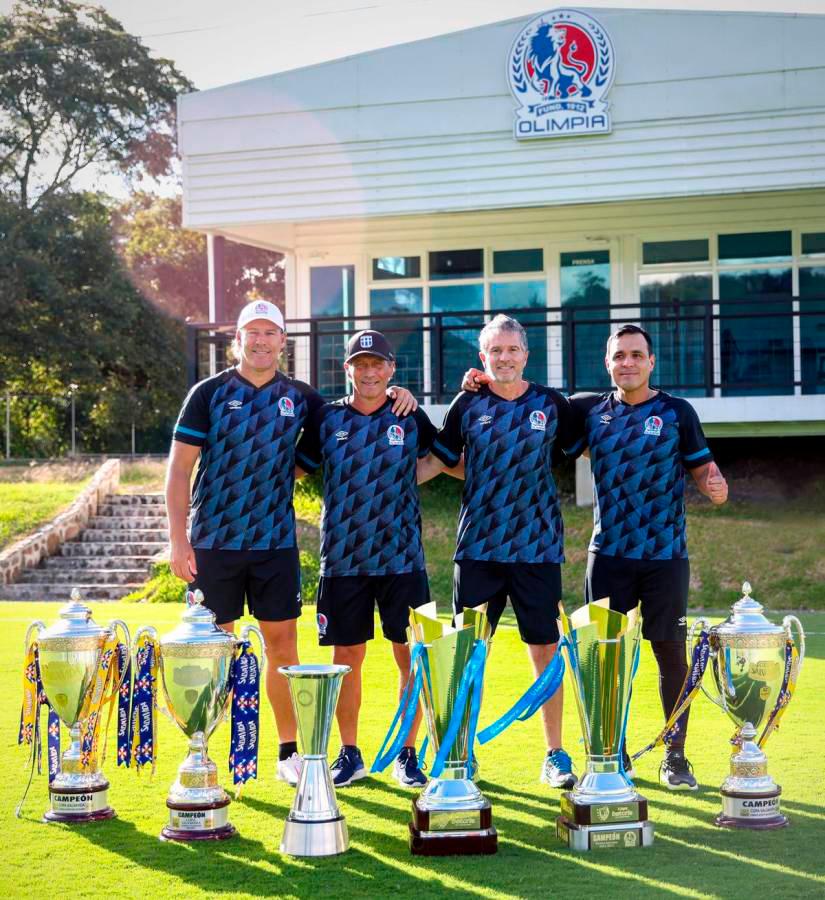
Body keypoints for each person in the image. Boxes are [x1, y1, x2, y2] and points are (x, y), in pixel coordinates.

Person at [166, 301, 416, 787]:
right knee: (213, 651)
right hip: (213, 544)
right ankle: (205, 757)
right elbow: (179, 470)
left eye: (270, 333)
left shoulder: (303, 398)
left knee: (283, 648)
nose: (260, 341)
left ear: (284, 341)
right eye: (251, 333)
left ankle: (288, 751)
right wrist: (179, 541)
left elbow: (356, 412)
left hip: (274, 544)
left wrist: (397, 394)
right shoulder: (209, 393)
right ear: (236, 339)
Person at [418, 314, 579, 789]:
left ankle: (556, 754)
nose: (504, 357)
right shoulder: (467, 404)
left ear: (526, 355)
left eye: (512, 349)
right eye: (495, 351)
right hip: (480, 548)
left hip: (538, 547)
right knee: (469, 651)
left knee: (545, 649)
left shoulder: (551, 405)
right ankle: (461, 755)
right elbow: (440, 460)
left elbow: (590, 445)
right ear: (482, 358)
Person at [566, 323, 728, 789]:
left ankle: (675, 756)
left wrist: (715, 489)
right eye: (619, 356)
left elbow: (704, 470)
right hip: (609, 556)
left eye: (637, 355)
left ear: (651, 362)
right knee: (605, 658)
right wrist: (477, 381)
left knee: (670, 655)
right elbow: (531, 399)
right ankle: (609, 753)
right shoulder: (591, 411)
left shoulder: (677, 411)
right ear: (608, 364)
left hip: (665, 556)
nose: (628, 363)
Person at [295, 330, 441, 788]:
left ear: (391, 370)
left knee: (411, 659)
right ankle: (350, 752)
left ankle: (407, 752)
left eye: (378, 364)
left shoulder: (409, 415)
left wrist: (404, 480)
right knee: (346, 658)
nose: (370, 371)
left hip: (403, 561)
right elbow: (295, 467)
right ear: (348, 370)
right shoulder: (326, 418)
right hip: (343, 561)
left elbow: (447, 455)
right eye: (361, 364)